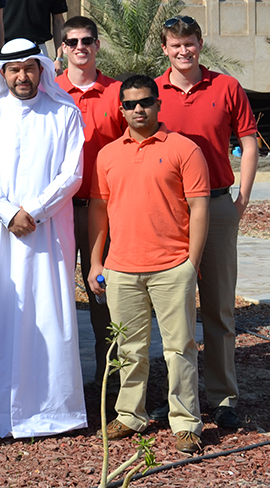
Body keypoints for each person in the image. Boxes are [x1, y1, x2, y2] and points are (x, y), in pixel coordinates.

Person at [0, 38, 86, 440]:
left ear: (41, 70)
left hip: (47, 233)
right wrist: (6, 212)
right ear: (2, 73)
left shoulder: (64, 112)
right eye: (13, 69)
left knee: (49, 314)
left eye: (29, 68)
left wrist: (32, 211)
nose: (21, 76)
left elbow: (71, 174)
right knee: (0, 316)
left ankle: (54, 413)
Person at [88, 75, 210, 456]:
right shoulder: (107, 155)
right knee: (129, 348)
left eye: (145, 102)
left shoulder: (184, 149)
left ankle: (186, 422)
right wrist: (95, 262)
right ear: (121, 109)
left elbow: (200, 207)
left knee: (180, 349)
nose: (138, 109)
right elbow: (99, 210)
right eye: (130, 104)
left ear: (158, 105)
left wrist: (191, 263)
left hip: (172, 267)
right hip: (122, 268)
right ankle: (130, 414)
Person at [154, 15, 258, 430]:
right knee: (172, 312)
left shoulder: (226, 87)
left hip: (216, 207)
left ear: (200, 42)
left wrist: (241, 202)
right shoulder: (152, 92)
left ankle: (223, 397)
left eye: (190, 43)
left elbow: (248, 144)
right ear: (165, 49)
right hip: (168, 211)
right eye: (175, 45)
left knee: (218, 308)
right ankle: (179, 399)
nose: (183, 51)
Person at [54, 16, 125, 375]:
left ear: (97, 45)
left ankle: (110, 383)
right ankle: (58, 382)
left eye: (87, 40)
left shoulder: (117, 93)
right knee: (55, 295)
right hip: (59, 211)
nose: (80, 47)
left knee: (104, 295)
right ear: (62, 48)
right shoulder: (49, 92)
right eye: (72, 42)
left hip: (104, 210)